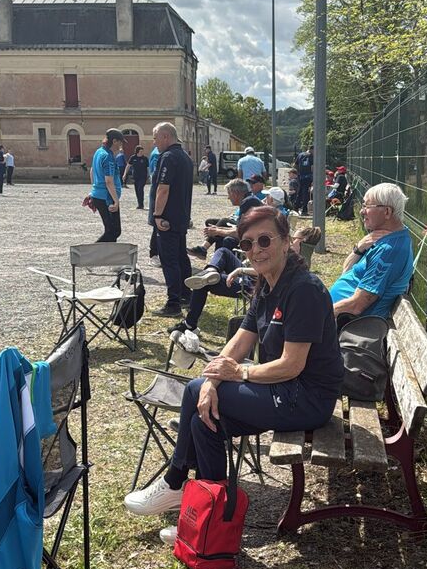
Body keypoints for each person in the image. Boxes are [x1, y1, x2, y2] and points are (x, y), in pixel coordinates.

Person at [123, 206, 344, 533]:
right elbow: (240, 341)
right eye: (247, 243)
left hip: (308, 398)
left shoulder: (303, 289)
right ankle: (211, 521)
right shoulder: (267, 284)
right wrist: (212, 381)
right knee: (205, 422)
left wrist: (236, 374)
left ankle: (175, 481)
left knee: (193, 391)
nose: (256, 250)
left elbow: (292, 365)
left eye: (265, 240)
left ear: (286, 242)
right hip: (282, 388)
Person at [329, 182, 413, 323]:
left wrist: (322, 313)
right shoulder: (386, 238)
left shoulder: (389, 250)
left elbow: (357, 306)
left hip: (348, 324)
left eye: (367, 206)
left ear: (387, 212)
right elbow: (346, 272)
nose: (362, 211)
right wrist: (359, 248)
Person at [151, 121, 194, 317]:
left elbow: (163, 188)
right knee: (180, 256)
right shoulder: (185, 157)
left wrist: (157, 215)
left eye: (156, 138)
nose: (154, 142)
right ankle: (186, 295)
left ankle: (173, 303)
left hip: (167, 218)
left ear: (166, 137)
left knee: (169, 260)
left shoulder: (168, 157)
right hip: (181, 216)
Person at [189, 179, 252, 258]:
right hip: (250, 235)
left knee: (222, 226)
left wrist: (218, 231)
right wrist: (218, 229)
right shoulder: (248, 200)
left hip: (252, 240)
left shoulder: (247, 203)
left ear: (235, 193)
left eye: (229, 194)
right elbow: (239, 228)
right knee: (219, 229)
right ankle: (215, 258)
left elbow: (239, 233)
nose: (228, 197)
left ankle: (208, 252)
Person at [90, 128, 124, 242]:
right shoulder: (108, 157)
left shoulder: (99, 151)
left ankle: (108, 253)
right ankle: (91, 251)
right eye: (120, 142)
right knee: (113, 231)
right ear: (114, 141)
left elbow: (92, 171)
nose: (121, 145)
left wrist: (94, 189)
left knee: (113, 231)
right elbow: (109, 181)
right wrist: (116, 201)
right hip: (106, 198)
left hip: (99, 195)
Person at [295, 146, 314, 215]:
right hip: (308, 177)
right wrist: (313, 178)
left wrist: (298, 173)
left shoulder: (300, 155)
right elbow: (312, 168)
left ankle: (295, 207)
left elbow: (295, 165)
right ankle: (304, 210)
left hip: (300, 177)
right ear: (311, 149)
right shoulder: (311, 156)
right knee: (306, 194)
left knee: (300, 192)